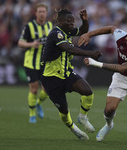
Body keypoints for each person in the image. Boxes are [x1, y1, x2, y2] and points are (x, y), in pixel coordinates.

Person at [78, 23, 127, 144]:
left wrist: (95, 63)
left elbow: (122, 68)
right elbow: (110, 28)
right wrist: (89, 34)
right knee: (109, 109)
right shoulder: (122, 36)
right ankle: (109, 125)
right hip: (122, 78)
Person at [41, 9, 101, 140]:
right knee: (64, 110)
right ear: (59, 21)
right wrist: (91, 54)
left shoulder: (67, 31)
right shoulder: (55, 34)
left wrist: (85, 20)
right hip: (51, 78)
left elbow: (83, 31)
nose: (72, 23)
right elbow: (69, 49)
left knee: (87, 91)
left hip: (66, 73)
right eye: (69, 21)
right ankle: (73, 128)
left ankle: (82, 117)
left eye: (73, 21)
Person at [18, 3, 53, 123]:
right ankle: (32, 113)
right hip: (31, 62)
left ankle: (38, 103)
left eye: (44, 11)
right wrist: (31, 44)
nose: (42, 14)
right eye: (40, 12)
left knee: (47, 90)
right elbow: (20, 43)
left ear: (46, 13)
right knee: (34, 89)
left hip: (45, 63)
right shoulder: (29, 26)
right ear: (36, 13)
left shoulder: (50, 26)